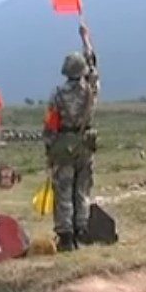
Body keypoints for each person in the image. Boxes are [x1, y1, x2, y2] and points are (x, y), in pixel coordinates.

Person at [43, 20, 99, 252]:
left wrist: (49, 149)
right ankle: (81, 229)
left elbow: (50, 124)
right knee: (82, 188)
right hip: (85, 144)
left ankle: (66, 236)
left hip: (63, 145)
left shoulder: (57, 94)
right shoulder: (91, 89)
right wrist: (85, 38)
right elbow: (93, 62)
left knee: (63, 189)